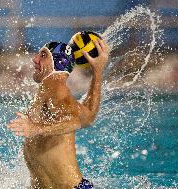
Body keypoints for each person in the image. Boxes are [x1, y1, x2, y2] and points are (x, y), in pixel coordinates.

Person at [7, 39, 109, 188]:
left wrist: (36, 128)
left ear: (58, 62)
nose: (35, 59)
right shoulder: (53, 89)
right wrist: (98, 72)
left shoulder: (55, 89)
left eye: (43, 55)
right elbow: (88, 117)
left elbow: (73, 121)